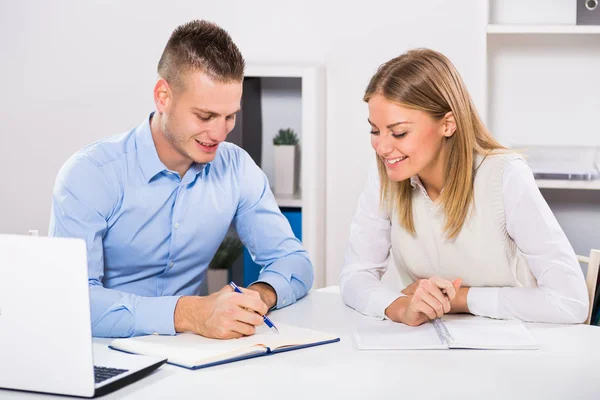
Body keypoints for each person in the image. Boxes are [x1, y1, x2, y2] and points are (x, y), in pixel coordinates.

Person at [49, 20, 313, 339]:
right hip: (100, 354)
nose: (219, 133)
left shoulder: (237, 168)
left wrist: (259, 295)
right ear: (163, 96)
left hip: (192, 354)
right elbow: (72, 301)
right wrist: (188, 313)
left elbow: (293, 262)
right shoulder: (91, 175)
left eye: (230, 116)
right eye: (205, 116)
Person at [339, 48, 588, 326]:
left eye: (399, 132)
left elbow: (570, 302)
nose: (382, 147)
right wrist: (401, 308)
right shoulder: (386, 174)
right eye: (375, 130)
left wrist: (457, 299)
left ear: (447, 124)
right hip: (427, 347)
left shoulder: (505, 175)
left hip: (516, 346)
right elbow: (355, 276)